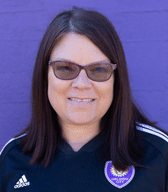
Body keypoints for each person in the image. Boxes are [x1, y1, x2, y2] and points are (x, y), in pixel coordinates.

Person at [0, 6, 167, 192]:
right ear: (44, 76)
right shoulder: (12, 159)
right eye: (65, 68)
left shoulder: (159, 154)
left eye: (99, 69)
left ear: (116, 80)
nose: (82, 83)